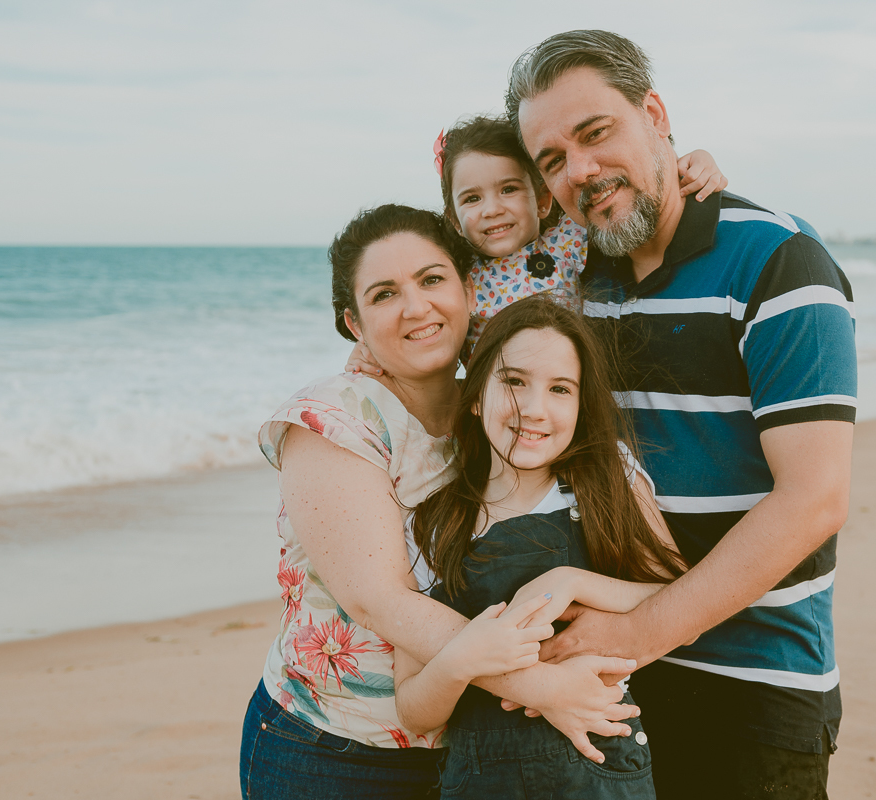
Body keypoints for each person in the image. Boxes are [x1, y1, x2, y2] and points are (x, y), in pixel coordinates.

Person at [503, 30, 858, 799]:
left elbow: (815, 499)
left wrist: (638, 632)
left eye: (596, 133)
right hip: (601, 686)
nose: (582, 171)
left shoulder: (778, 259)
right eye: (553, 160)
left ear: (655, 115)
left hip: (755, 685)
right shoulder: (571, 280)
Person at [238, 205, 639, 800]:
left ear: (468, 288)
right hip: (335, 750)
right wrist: (545, 685)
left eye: (431, 280)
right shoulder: (335, 417)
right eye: (384, 294)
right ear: (354, 322)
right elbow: (379, 601)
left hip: (475, 751)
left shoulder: (498, 408)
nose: (416, 308)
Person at [393, 295, 687, 798]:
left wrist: (571, 582)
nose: (535, 409)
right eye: (513, 381)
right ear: (475, 394)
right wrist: (463, 659)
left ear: (580, 405)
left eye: (560, 389)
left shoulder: (606, 480)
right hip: (482, 782)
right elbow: (414, 709)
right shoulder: (434, 521)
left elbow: (678, 601)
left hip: (602, 774)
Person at [350, 115, 725, 371]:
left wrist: (696, 162)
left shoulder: (565, 243)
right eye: (472, 199)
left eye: (509, 189)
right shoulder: (459, 283)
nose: (492, 210)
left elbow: (630, 199)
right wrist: (365, 350)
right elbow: (420, 331)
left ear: (543, 199)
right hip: (498, 413)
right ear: (454, 219)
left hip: (578, 395)